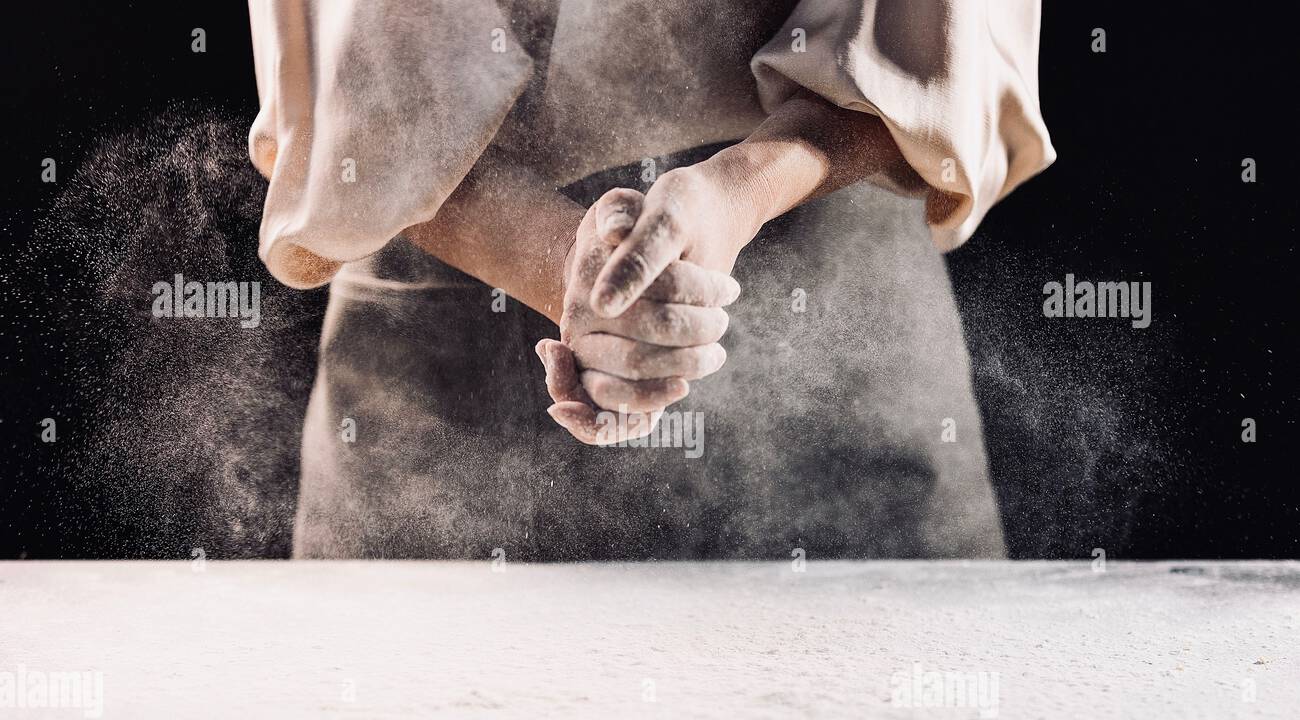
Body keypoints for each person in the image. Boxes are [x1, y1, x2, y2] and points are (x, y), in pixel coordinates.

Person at [247, 0, 1054, 559]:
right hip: (443, 371)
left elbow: (935, 47)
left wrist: (735, 194)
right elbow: (355, 96)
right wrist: (573, 264)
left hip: (839, 353)